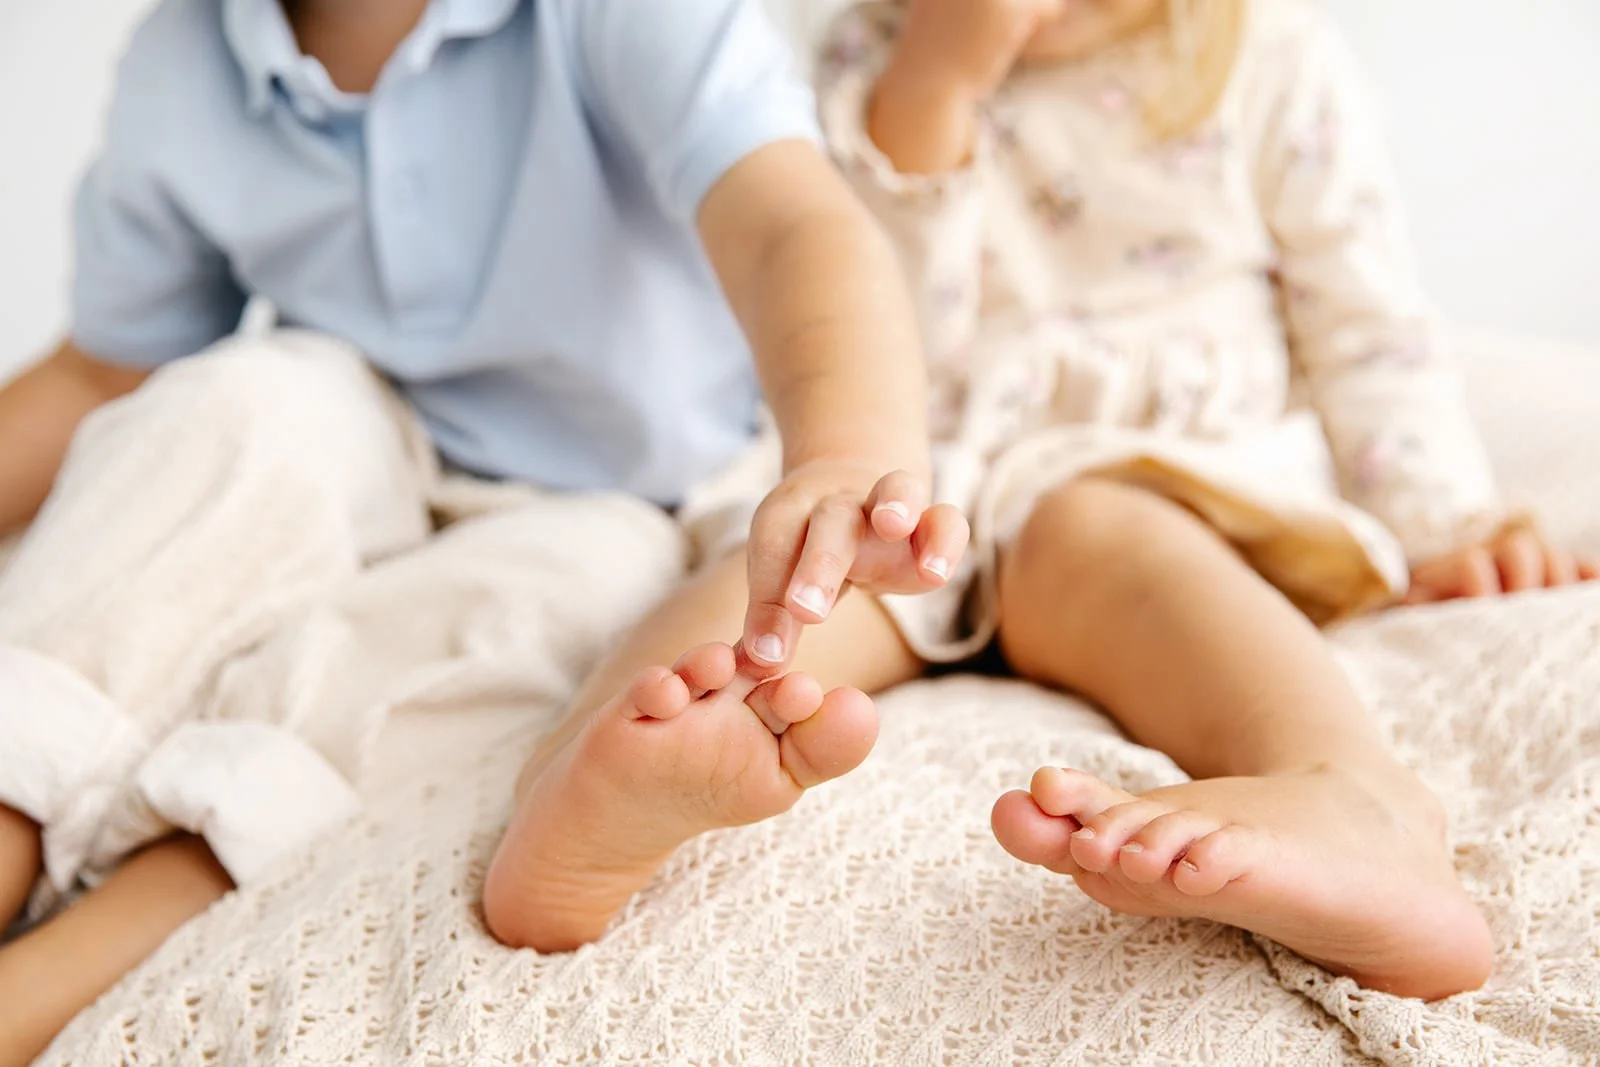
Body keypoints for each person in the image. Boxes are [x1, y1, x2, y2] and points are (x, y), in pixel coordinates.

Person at [0, 0, 969, 1059]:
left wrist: (841, 450)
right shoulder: (183, 60)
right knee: (221, 410)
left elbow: (790, 223)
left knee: (517, 606)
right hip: (363, 426)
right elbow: (104, 369)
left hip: (616, 494)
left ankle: (49, 977)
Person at [794, 0, 1599, 1001]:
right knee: (801, 560)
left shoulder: (1268, 58)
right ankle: (622, 764)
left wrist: (1444, 523)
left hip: (1178, 478)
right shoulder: (857, 52)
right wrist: (932, 86)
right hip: (942, 482)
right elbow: (857, 332)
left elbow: (1366, 330)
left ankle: (1356, 800)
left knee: (1090, 527)